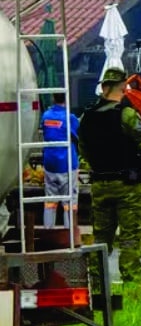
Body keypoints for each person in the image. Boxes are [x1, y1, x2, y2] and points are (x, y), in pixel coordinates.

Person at [77, 68, 141, 283]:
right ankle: (131, 279)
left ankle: (96, 280)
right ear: (124, 88)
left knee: (101, 235)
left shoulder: (87, 117)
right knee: (130, 235)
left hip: (100, 185)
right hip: (128, 185)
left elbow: (83, 152)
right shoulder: (127, 114)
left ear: (103, 87)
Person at [40, 92, 80, 235]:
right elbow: (78, 136)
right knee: (70, 201)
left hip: (50, 163)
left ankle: (48, 232)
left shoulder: (46, 116)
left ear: (53, 98)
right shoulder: (70, 118)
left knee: (50, 201)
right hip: (67, 164)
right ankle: (69, 234)